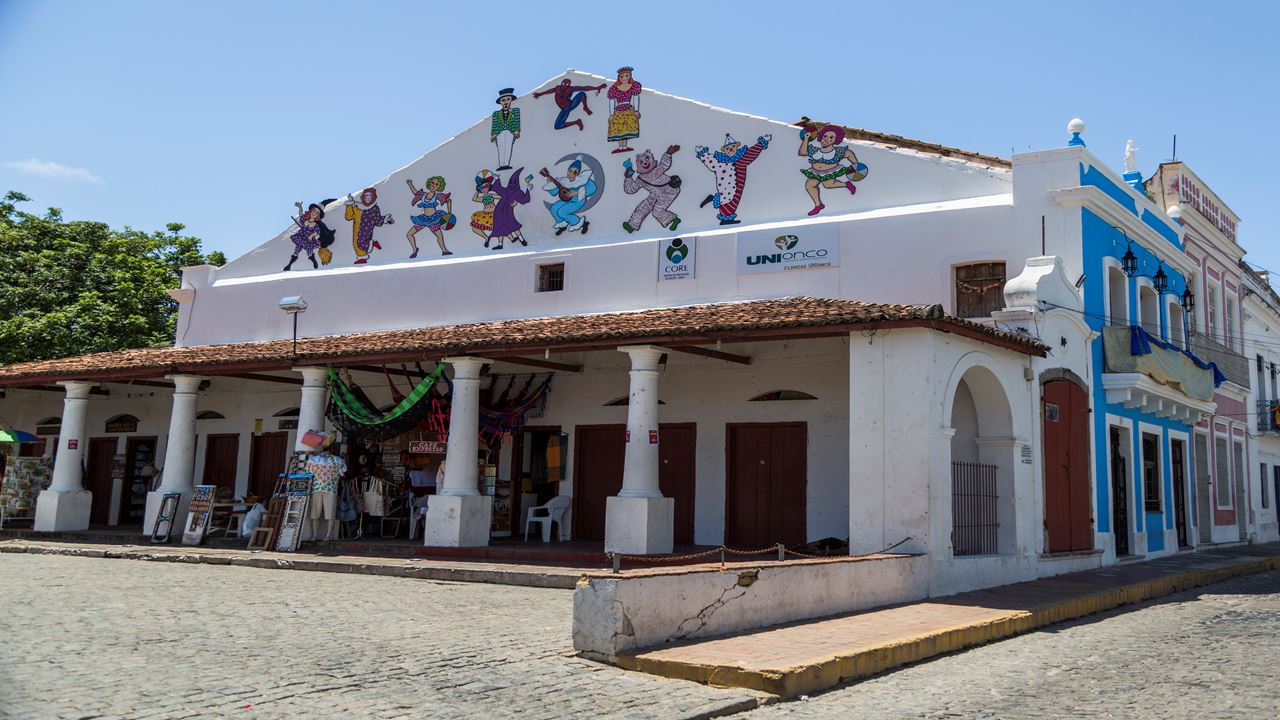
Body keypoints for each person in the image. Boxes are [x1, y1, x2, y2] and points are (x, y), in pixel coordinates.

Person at [696, 134, 771, 225]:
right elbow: (711, 161)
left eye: (732, 147)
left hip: (738, 183)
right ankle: (724, 218)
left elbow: (752, 153)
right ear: (724, 150)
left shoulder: (741, 157)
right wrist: (703, 154)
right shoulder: (721, 161)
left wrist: (761, 143)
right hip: (725, 185)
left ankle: (719, 207)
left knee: (735, 200)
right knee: (728, 199)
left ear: (736, 146)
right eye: (727, 148)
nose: (730, 150)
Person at [797, 124, 866, 216]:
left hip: (829, 172)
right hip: (815, 172)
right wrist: (806, 139)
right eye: (825, 136)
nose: (826, 139)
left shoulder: (837, 151)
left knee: (828, 185)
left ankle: (846, 184)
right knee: (809, 186)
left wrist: (856, 165)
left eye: (831, 137)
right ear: (821, 136)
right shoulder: (815, 150)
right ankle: (818, 205)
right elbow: (802, 152)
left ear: (835, 140)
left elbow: (848, 153)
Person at [542, 156, 597, 235]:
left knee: (562, 211)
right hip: (567, 199)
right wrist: (551, 183)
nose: (571, 174)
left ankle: (581, 223)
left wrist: (576, 193)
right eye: (570, 171)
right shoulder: (563, 181)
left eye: (575, 172)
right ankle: (562, 225)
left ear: (578, 173)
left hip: (578, 200)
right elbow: (554, 192)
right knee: (554, 208)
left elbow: (592, 188)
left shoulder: (581, 180)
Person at [405, 176, 454, 258]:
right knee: (409, 234)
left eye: (437, 184)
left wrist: (449, 213)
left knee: (439, 235)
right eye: (433, 183)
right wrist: (410, 184)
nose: (434, 185)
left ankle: (444, 250)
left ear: (439, 187)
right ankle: (414, 250)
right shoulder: (423, 195)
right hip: (423, 219)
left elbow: (449, 201)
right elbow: (415, 192)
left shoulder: (437, 195)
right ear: (429, 183)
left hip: (434, 219)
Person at [533, 77, 606, 132]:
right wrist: (539, 94)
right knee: (557, 126)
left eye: (566, 85)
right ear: (561, 83)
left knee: (582, 94)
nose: (563, 86)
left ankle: (585, 108)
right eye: (563, 84)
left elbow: (584, 88)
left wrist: (598, 87)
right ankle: (577, 122)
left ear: (568, 85)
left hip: (570, 105)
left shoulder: (571, 89)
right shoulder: (557, 88)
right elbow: (548, 91)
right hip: (565, 109)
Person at [344, 188, 392, 265]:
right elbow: (349, 217)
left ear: (373, 197)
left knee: (360, 244)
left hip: (367, 231)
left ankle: (363, 258)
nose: (368, 197)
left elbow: (378, 221)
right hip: (357, 230)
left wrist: (386, 219)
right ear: (363, 197)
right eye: (366, 195)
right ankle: (371, 245)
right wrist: (350, 204)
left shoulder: (375, 208)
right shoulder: (356, 206)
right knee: (355, 244)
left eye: (370, 195)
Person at [284, 201, 336, 271]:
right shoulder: (304, 220)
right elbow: (300, 214)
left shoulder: (315, 225)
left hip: (309, 241)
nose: (314, 213)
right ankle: (289, 265)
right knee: (296, 251)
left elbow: (317, 232)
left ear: (318, 215)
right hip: (300, 238)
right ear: (311, 211)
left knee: (309, 253)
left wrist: (311, 235)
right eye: (314, 211)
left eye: (317, 213)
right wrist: (300, 207)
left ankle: (313, 260)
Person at [488, 168, 533, 250]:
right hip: (499, 212)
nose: (512, 184)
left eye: (513, 182)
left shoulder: (517, 192)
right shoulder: (506, 190)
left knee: (513, 225)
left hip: (507, 212)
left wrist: (528, 190)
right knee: (499, 227)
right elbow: (498, 188)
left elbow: (524, 200)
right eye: (511, 182)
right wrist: (497, 178)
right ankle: (500, 244)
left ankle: (521, 239)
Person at [606, 67, 641, 153]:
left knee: (626, 128)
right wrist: (611, 114)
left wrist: (636, 111)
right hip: (618, 111)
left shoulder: (633, 86)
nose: (624, 78)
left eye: (626, 76)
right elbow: (611, 101)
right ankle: (620, 146)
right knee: (619, 129)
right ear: (619, 77)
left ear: (629, 76)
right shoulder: (614, 88)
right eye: (622, 76)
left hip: (628, 110)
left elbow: (636, 98)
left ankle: (624, 146)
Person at [490, 88, 521, 171]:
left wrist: (517, 130)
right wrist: (493, 134)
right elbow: (494, 124)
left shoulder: (515, 111)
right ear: (500, 102)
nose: (505, 102)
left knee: (508, 147)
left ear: (511, 100)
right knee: (500, 148)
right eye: (503, 100)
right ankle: (501, 164)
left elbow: (517, 121)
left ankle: (506, 164)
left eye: (508, 99)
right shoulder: (496, 114)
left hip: (510, 131)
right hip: (499, 132)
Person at [470, 171, 498, 244]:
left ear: (489, 186)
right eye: (482, 187)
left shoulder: (492, 195)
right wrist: (477, 190)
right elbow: (474, 198)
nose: (484, 188)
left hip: (494, 214)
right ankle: (486, 238)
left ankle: (507, 239)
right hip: (485, 215)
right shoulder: (482, 198)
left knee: (499, 226)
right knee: (474, 228)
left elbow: (501, 196)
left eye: (486, 186)